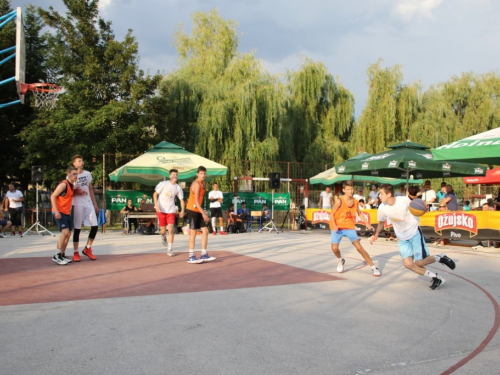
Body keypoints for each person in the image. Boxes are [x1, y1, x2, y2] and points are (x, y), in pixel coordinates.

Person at [370, 184, 456, 290]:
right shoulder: (382, 207)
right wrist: (376, 234)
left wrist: (424, 208)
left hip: (414, 232)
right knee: (408, 264)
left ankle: (440, 257)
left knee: (419, 262)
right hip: (402, 237)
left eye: (382, 193)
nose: (379, 196)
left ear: (389, 194)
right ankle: (436, 278)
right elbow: (381, 222)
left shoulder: (404, 201)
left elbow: (418, 206)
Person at [329, 181, 380, 277]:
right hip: (337, 227)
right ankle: (340, 260)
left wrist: (368, 224)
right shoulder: (339, 201)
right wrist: (335, 225)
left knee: (359, 248)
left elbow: (360, 213)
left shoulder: (355, 201)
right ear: (344, 190)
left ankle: (373, 267)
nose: (350, 191)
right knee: (335, 248)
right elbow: (332, 214)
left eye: (351, 189)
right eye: (348, 189)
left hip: (349, 227)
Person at [71, 155, 99, 262]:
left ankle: (88, 248)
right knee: (77, 228)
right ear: (74, 164)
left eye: (82, 160)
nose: (81, 162)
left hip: (88, 203)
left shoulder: (87, 174)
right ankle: (75, 252)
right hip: (78, 204)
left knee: (95, 226)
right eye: (79, 161)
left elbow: (90, 189)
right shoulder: (71, 175)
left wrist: (95, 203)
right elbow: (69, 191)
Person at [185, 166, 215, 263]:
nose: (203, 175)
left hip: (198, 210)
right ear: (198, 174)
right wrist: (204, 214)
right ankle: (191, 256)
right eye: (201, 173)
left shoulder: (203, 183)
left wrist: (202, 212)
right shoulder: (196, 184)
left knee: (205, 231)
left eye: (204, 173)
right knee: (193, 232)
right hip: (192, 210)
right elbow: (197, 202)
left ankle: (203, 254)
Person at [50, 166, 79, 265]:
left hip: (66, 212)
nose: (76, 176)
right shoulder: (64, 184)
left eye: (77, 174)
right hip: (59, 211)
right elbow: (53, 196)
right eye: (74, 174)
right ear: (68, 174)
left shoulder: (72, 186)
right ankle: (56, 255)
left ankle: (62, 254)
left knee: (68, 234)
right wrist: (56, 211)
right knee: (65, 232)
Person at [153, 168, 186, 256]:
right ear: (170, 176)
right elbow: (155, 194)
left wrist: (182, 210)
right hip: (161, 210)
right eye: (173, 174)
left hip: (171, 210)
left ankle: (170, 249)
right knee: (163, 231)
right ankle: (163, 237)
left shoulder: (178, 187)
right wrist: (156, 206)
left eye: (176, 175)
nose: (175, 176)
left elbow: (182, 200)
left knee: (171, 229)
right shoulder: (163, 184)